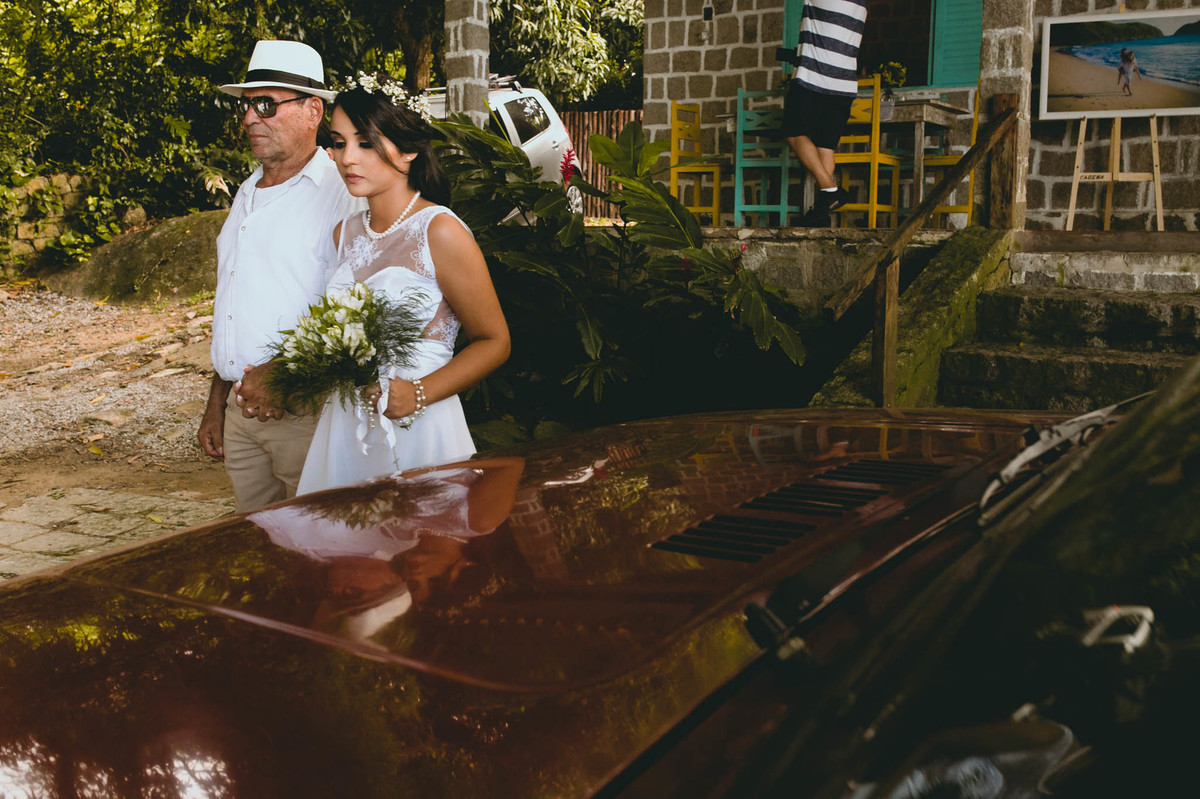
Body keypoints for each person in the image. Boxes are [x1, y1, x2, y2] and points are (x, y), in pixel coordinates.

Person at [293, 72, 510, 494]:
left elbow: (495, 341)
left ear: (408, 149)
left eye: (365, 143)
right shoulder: (344, 235)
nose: (347, 158)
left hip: (420, 427)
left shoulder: (440, 231)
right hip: (347, 428)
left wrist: (418, 393)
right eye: (338, 143)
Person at [197, 40, 365, 512]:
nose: (251, 118)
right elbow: (233, 303)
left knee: (318, 539)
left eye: (266, 105)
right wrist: (216, 402)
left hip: (305, 410)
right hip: (241, 413)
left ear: (313, 111)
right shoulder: (247, 191)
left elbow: (357, 308)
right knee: (257, 541)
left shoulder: (342, 193)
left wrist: (286, 375)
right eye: (247, 106)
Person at [781, 0, 870, 227]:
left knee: (793, 133)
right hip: (845, 85)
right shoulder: (862, 4)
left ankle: (831, 189)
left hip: (814, 79)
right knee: (825, 146)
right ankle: (821, 213)